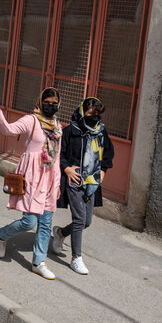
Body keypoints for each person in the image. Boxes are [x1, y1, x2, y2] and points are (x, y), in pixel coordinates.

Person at [0, 88, 63, 279]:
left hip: (49, 178)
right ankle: (1, 235)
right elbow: (8, 130)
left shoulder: (57, 126)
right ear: (40, 101)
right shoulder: (31, 120)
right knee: (29, 221)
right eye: (47, 102)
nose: (50, 106)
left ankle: (38, 262)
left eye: (54, 103)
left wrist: (58, 184)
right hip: (32, 177)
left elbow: (57, 157)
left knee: (45, 223)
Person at [52, 97, 115, 276]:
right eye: (90, 115)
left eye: (97, 115)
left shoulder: (101, 132)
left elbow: (108, 154)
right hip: (74, 181)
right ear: (82, 113)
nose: (94, 119)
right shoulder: (71, 131)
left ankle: (61, 233)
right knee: (79, 219)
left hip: (92, 182)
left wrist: (103, 171)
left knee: (86, 222)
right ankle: (76, 258)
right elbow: (59, 154)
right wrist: (67, 169)